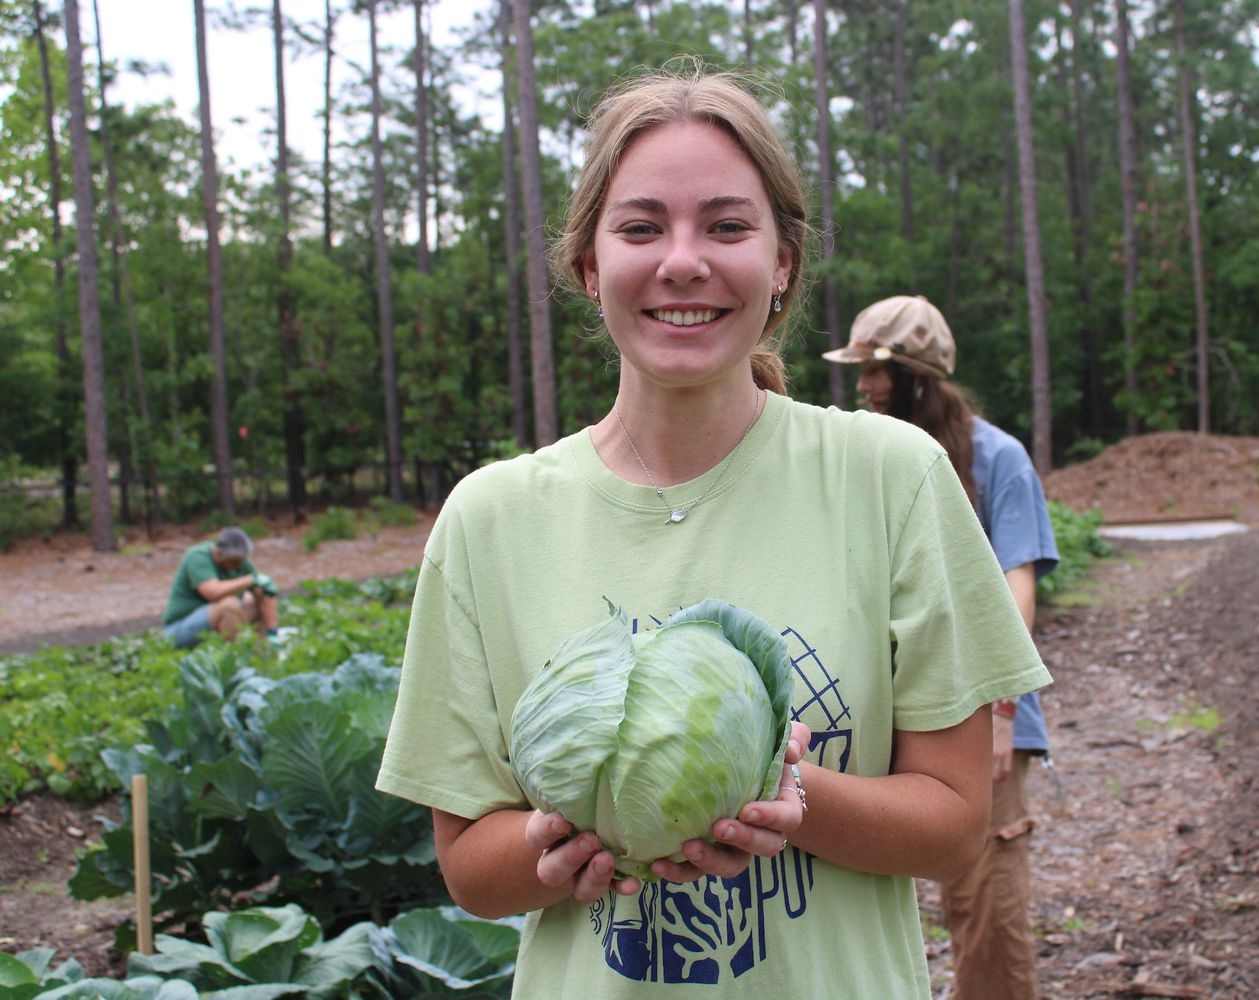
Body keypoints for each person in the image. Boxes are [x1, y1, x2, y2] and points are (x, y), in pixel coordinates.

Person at [375, 64, 1051, 998]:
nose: (683, 261)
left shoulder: (890, 478)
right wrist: (556, 846)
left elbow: (954, 823)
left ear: (782, 261)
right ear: (588, 264)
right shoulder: (490, 519)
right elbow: (469, 868)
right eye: (641, 227)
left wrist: (786, 796)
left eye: (728, 226)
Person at [824, 293, 1060, 1000]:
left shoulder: (995, 460)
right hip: (883, 712)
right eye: (860, 371)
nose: (863, 386)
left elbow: (1016, 587)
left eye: (876, 371)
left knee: (984, 894)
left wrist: (997, 708)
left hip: (980, 711)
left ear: (917, 376)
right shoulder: (855, 461)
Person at [161, 526, 279, 649]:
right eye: (234, 563)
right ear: (219, 553)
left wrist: (272, 631)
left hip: (213, 624)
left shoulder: (240, 562)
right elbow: (213, 592)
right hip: (179, 629)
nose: (237, 566)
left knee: (257, 600)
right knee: (229, 606)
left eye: (240, 562)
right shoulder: (198, 556)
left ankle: (264, 654)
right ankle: (235, 659)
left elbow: (266, 593)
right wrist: (249, 580)